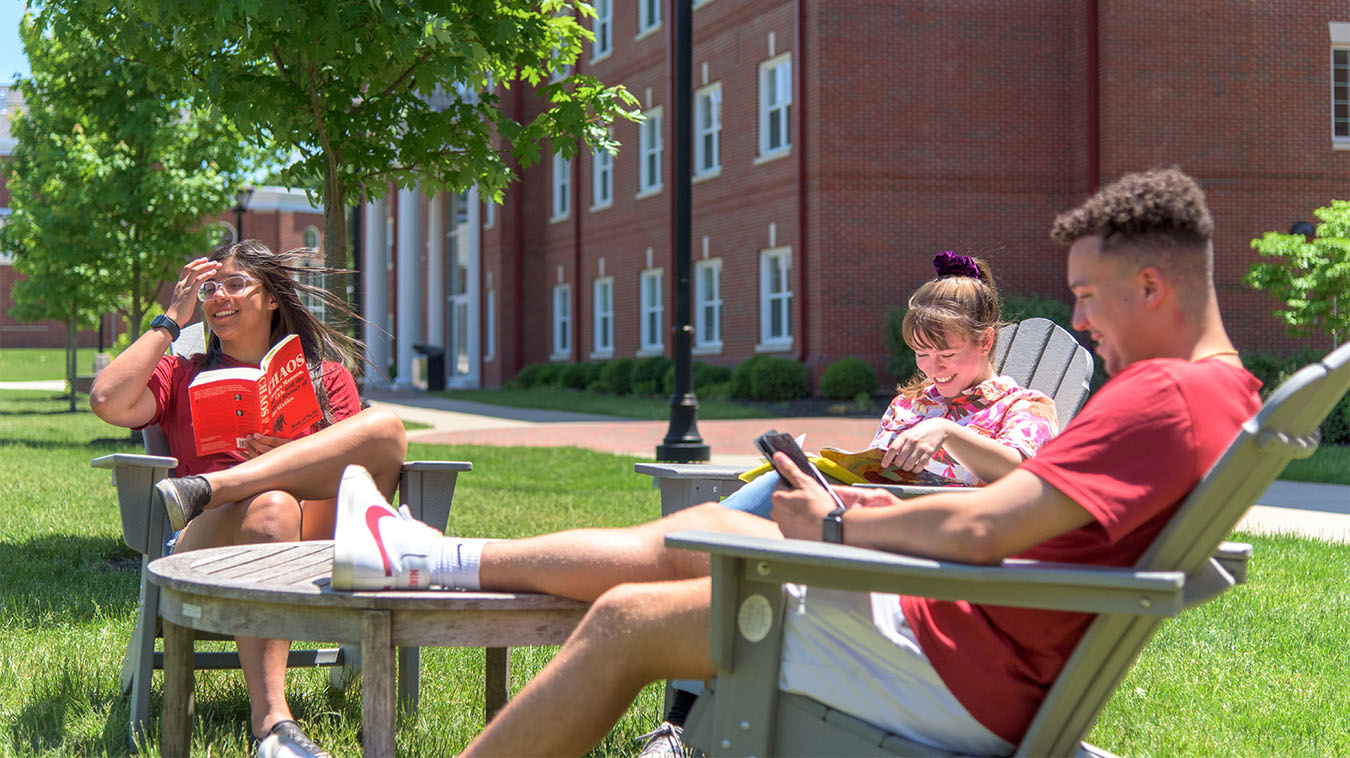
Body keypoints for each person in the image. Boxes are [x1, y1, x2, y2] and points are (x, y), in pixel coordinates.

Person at [331, 166, 1262, 756]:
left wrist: (837, 522)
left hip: (958, 665)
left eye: (1090, 297)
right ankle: (421, 555)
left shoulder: (1163, 392)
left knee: (626, 621)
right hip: (971, 635)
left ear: (1153, 283)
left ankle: (420, 556)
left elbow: (985, 525)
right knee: (700, 532)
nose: (1078, 320)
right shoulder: (1223, 392)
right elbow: (1017, 519)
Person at [643, 251, 1059, 755]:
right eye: (920, 355)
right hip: (861, 535)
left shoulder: (1024, 406)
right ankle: (683, 718)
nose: (931, 368)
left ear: (985, 340)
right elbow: (872, 468)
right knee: (770, 510)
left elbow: (1022, 471)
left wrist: (947, 431)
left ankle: (675, 561)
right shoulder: (909, 404)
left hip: (929, 558)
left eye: (944, 354)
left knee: (731, 548)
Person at [90, 240, 408, 758]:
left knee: (384, 428)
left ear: (273, 298)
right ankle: (273, 724)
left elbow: (377, 458)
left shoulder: (326, 378)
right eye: (210, 287)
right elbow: (106, 398)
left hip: (314, 543)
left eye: (234, 283)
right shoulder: (181, 375)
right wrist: (173, 317)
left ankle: (217, 485)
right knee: (273, 505)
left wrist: (296, 455)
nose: (218, 296)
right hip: (207, 545)